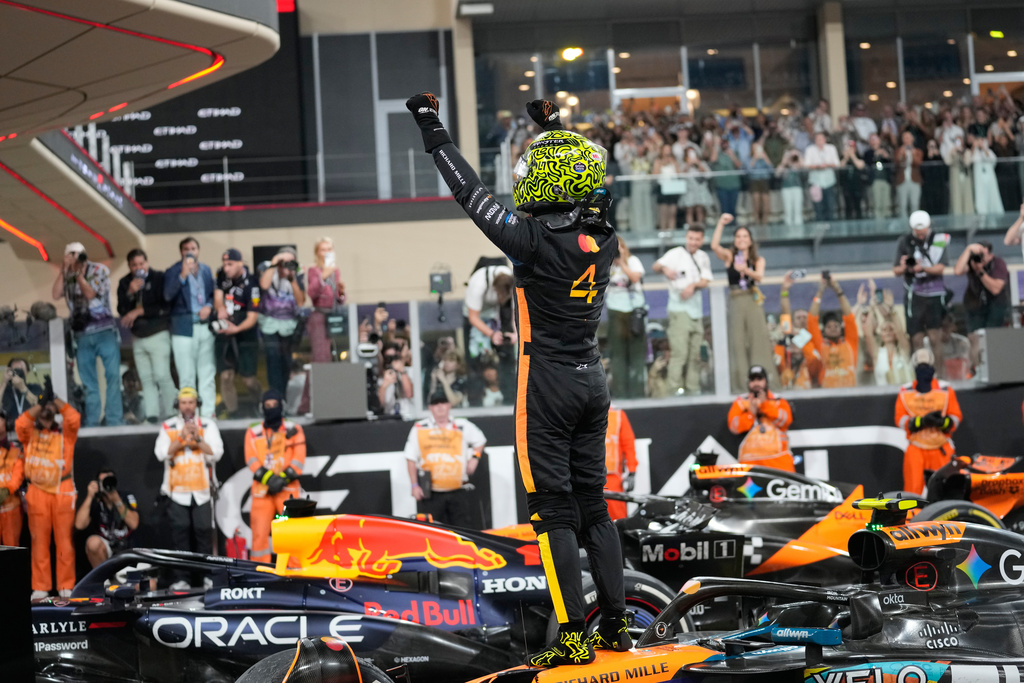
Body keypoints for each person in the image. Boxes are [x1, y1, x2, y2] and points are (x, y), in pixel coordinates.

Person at [407, 94, 630, 665]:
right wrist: (553, 126)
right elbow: (581, 185)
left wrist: (430, 124)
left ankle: (573, 638)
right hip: (592, 379)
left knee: (553, 514)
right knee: (596, 509)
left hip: (547, 385)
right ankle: (616, 625)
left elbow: (468, 191)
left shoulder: (531, 241)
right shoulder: (602, 235)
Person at [154, 387, 224, 589]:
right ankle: (181, 579)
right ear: (178, 404)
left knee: (204, 533)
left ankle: (208, 577)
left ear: (197, 404)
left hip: (202, 490)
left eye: (191, 402)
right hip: (176, 491)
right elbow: (161, 454)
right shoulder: (168, 426)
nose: (187, 406)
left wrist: (198, 439)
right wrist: (181, 437)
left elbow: (216, 454)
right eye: (184, 402)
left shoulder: (208, 425)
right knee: (180, 535)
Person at [17, 380, 79, 599]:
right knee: (39, 541)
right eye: (44, 407)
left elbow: (74, 417)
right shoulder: (29, 434)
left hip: (62, 489)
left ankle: (65, 585)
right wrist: (40, 402)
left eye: (49, 407)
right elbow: (21, 423)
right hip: (37, 492)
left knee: (64, 541)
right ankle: (41, 585)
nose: (46, 410)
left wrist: (55, 400)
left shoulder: (66, 433)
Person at [53, 242, 122, 426]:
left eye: (79, 254)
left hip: (104, 330)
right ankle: (92, 421)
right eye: (72, 254)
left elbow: (91, 294)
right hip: (81, 334)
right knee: (88, 382)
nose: (76, 258)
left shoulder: (98, 269)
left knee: (113, 376)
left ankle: (114, 420)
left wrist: (79, 276)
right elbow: (56, 294)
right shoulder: (67, 273)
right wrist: (63, 270)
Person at [710, 214, 779, 393]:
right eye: (738, 237)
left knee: (758, 339)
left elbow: (760, 276)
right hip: (735, 299)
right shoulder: (729, 257)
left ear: (750, 240)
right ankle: (740, 386)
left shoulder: (757, 260)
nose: (741, 240)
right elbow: (714, 246)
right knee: (737, 342)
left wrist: (747, 269)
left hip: (752, 298)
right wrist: (721, 223)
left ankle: (765, 383)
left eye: (745, 237)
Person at [405, 391, 486, 527]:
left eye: (443, 402)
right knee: (433, 533)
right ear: (430, 407)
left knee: (463, 534)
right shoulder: (419, 427)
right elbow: (410, 458)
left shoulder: (462, 425)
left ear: (449, 405)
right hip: (430, 493)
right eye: (436, 403)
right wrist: (414, 485)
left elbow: (480, 440)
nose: (440, 406)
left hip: (458, 491)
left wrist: (475, 458)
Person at [244, 389, 305, 564]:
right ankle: (259, 572)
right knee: (259, 535)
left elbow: (299, 460)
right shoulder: (253, 431)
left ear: (282, 406)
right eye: (267, 405)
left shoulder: (294, 428)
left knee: (291, 533)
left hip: (287, 492)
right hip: (262, 492)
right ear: (261, 407)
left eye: (274, 405)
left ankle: (295, 571)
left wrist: (282, 479)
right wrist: (270, 479)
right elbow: (251, 458)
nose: (271, 408)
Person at [654, 225, 713, 395]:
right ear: (686, 238)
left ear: (701, 240)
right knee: (679, 353)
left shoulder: (703, 257)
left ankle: (693, 388)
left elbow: (706, 280)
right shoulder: (675, 253)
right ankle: (674, 390)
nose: (693, 242)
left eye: (697, 239)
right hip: (678, 309)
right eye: (690, 238)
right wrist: (666, 269)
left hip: (696, 310)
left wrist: (693, 286)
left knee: (695, 354)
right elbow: (656, 265)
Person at [117, 248, 175, 422]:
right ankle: (152, 415)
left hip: (158, 333)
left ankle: (173, 412)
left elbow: (165, 307)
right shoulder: (125, 282)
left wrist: (140, 311)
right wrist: (130, 293)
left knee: (162, 375)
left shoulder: (158, 278)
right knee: (146, 378)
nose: (138, 267)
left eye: (141, 263)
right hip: (138, 337)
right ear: (129, 266)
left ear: (147, 263)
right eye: (134, 265)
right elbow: (121, 309)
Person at [164, 237, 216, 418]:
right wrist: (182, 275)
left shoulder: (206, 270)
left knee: (207, 373)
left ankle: (208, 414)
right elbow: (168, 295)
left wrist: (209, 305)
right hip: (183, 327)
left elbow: (212, 294)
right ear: (181, 252)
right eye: (186, 248)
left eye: (193, 248)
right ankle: (188, 415)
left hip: (204, 326)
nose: (190, 251)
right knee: (186, 375)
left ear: (198, 250)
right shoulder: (173, 271)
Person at [896, 349, 960, 494]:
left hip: (941, 447)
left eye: (926, 366)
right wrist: (922, 421)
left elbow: (955, 417)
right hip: (916, 447)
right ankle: (913, 516)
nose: (923, 370)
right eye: (920, 366)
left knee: (947, 489)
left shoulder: (945, 389)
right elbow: (901, 419)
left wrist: (942, 423)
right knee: (912, 492)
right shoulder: (906, 391)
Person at [893, 210, 950, 371]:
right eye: (917, 233)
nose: (920, 235)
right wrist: (905, 267)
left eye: (922, 232)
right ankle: (919, 373)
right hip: (914, 293)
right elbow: (896, 270)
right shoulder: (904, 241)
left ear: (929, 226)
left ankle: (939, 374)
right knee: (916, 338)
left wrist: (923, 267)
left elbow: (941, 267)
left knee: (934, 337)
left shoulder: (938, 240)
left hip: (934, 294)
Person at [298, 237, 346, 414]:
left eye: (330, 249)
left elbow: (338, 298)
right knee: (320, 360)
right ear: (317, 252)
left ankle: (314, 402)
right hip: (319, 316)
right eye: (323, 249)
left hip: (334, 317)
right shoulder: (314, 270)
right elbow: (312, 292)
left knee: (330, 359)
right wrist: (324, 274)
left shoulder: (336, 271)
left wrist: (341, 292)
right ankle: (309, 404)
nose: (327, 252)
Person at [213, 249, 262, 418]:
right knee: (226, 376)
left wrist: (237, 328)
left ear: (240, 262)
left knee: (249, 379)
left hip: (245, 332)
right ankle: (232, 413)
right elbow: (218, 296)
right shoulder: (222, 275)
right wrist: (220, 308)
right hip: (224, 330)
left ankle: (259, 405)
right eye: (224, 264)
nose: (226, 268)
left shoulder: (252, 283)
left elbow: (253, 317)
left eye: (230, 264)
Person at [463, 260, 516, 405]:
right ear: (494, 289)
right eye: (500, 295)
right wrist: (492, 334)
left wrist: (516, 333)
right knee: (475, 361)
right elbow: (473, 318)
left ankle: (510, 401)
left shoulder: (514, 281)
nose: (501, 298)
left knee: (507, 358)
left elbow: (514, 312)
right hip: (476, 315)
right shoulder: (478, 283)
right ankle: (476, 403)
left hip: (498, 314)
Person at [258, 247, 307, 399]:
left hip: (289, 327)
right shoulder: (268, 270)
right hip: (269, 325)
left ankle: (283, 397)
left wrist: (292, 279)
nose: (286, 265)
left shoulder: (297, 275)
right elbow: (264, 286)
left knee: (286, 361)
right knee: (272, 360)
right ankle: (275, 396)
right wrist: (274, 264)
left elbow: (301, 301)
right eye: (284, 261)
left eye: (290, 262)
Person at [955, 241, 1011, 369]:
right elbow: (958, 271)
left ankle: (992, 369)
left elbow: (995, 289)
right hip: (974, 304)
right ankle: (975, 369)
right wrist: (968, 250)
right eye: (977, 254)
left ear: (990, 255)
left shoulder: (998, 264)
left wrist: (980, 272)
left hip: (996, 305)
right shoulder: (971, 263)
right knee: (974, 338)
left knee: (989, 339)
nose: (980, 258)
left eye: (983, 254)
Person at [727, 365, 794, 471]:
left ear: (766, 381)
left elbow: (785, 421)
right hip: (749, 465)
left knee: (783, 486)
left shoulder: (778, 401)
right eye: (752, 379)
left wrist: (764, 405)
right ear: (748, 383)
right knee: (746, 488)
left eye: (759, 379)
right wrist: (751, 412)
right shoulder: (740, 402)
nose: (756, 383)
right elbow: (734, 427)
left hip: (779, 463)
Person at [606, 237, 646, 398]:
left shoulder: (633, 261)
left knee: (637, 353)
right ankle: (620, 393)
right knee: (618, 355)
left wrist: (622, 261)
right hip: (616, 311)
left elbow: (635, 278)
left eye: (619, 246)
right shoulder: (606, 264)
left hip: (634, 311)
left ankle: (638, 393)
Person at [73, 468, 139, 567]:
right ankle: (105, 580)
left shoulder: (125, 496)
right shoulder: (96, 501)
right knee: (93, 543)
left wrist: (117, 500)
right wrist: (89, 497)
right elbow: (79, 525)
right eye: (104, 481)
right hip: (106, 548)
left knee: (150, 583)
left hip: (127, 548)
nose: (107, 484)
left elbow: (134, 524)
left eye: (110, 480)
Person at [806, 273, 858, 388]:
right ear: (824, 331)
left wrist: (838, 290)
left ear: (841, 329)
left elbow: (849, 317)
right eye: (829, 326)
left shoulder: (850, 345)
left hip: (851, 395)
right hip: (827, 397)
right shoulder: (821, 347)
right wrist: (820, 292)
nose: (833, 328)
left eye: (836, 325)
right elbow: (811, 320)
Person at [603, 406, 637, 521]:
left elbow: (628, 444)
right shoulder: (581, 412)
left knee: (618, 519)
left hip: (612, 478)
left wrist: (632, 471)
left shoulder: (616, 415)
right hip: (586, 477)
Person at [1, 358, 41, 441]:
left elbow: (40, 405)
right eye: (15, 370)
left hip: (32, 435)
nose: (18, 373)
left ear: (27, 371)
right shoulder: (6, 390)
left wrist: (23, 388)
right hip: (10, 435)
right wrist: (4, 382)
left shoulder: (35, 388)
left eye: (21, 369)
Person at [803, 132, 839, 221]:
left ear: (824, 140)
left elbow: (837, 163)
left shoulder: (831, 148)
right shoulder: (810, 150)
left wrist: (827, 165)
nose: (819, 141)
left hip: (829, 182)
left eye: (821, 139)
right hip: (816, 183)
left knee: (830, 207)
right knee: (818, 208)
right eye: (817, 139)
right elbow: (807, 164)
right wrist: (818, 167)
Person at [0, 413, 23, 547]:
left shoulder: (15, 451)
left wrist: (6, 490)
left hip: (11, 508)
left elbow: (18, 475)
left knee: (11, 550)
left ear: (6, 424)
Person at [652, 143, 682, 233]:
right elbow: (654, 175)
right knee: (663, 212)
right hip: (662, 187)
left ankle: (671, 232)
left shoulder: (674, 161)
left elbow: (678, 174)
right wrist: (661, 164)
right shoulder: (658, 161)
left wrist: (673, 163)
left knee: (672, 212)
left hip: (673, 187)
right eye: (665, 150)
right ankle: (663, 232)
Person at [894, 131, 923, 217]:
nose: (906, 140)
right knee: (902, 205)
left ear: (912, 139)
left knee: (915, 204)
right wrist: (902, 152)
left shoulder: (918, 151)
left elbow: (918, 163)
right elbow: (897, 161)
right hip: (902, 180)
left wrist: (913, 154)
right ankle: (903, 226)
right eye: (904, 138)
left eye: (908, 137)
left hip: (914, 180)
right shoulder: (899, 151)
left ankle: (915, 224)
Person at [972, 136, 1004, 215]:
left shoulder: (989, 151)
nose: (980, 143)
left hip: (989, 178)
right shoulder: (974, 152)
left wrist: (984, 149)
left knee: (992, 195)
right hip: (979, 180)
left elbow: (993, 160)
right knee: (981, 197)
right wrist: (974, 147)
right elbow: (971, 160)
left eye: (982, 141)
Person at [777, 148, 805, 227]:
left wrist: (798, 156)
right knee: (788, 210)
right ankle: (788, 228)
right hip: (786, 188)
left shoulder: (797, 164)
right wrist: (784, 162)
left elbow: (804, 166)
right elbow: (777, 174)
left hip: (797, 188)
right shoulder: (784, 165)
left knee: (798, 210)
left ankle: (799, 228)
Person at [748, 143, 775, 226]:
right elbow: (748, 171)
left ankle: (765, 221)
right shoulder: (750, 158)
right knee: (756, 202)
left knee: (766, 201)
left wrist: (765, 157)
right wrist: (754, 159)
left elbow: (772, 170)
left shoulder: (764, 158)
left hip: (764, 180)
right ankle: (756, 221)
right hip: (755, 180)